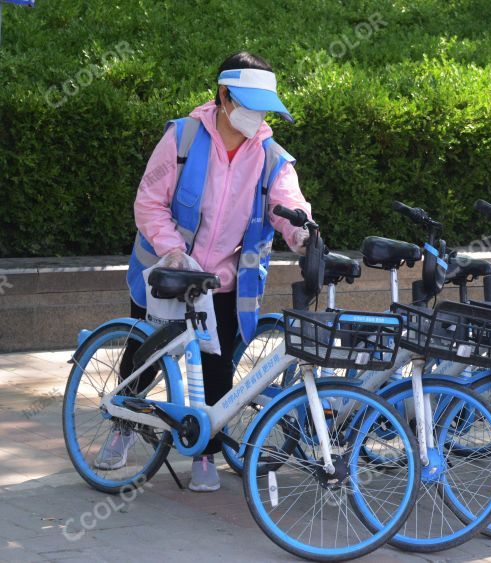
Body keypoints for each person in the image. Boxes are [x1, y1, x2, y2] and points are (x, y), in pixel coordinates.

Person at [94, 52, 312, 492]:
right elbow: (149, 202)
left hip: (223, 281)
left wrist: (306, 236)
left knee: (216, 368)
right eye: (248, 103)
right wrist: (172, 252)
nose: (257, 116)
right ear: (224, 95)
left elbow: (288, 206)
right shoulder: (184, 137)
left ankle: (205, 452)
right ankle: (122, 423)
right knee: (146, 356)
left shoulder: (270, 156)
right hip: (166, 270)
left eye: (263, 107)